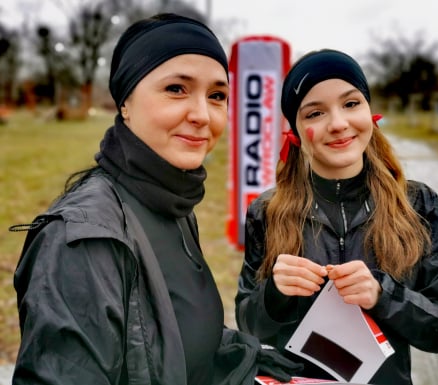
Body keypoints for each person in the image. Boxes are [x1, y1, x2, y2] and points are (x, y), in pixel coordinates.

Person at [10, 13, 301, 385]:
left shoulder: (172, 203)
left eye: (216, 96)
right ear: (125, 103)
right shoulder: (83, 243)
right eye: (176, 89)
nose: (201, 115)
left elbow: (168, 332)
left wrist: (238, 352)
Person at [235, 49, 438, 385]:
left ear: (370, 112)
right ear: (294, 131)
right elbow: (247, 322)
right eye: (315, 113)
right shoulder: (266, 212)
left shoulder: (418, 204)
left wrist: (384, 295)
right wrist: (274, 294)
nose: (338, 123)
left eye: (351, 103)